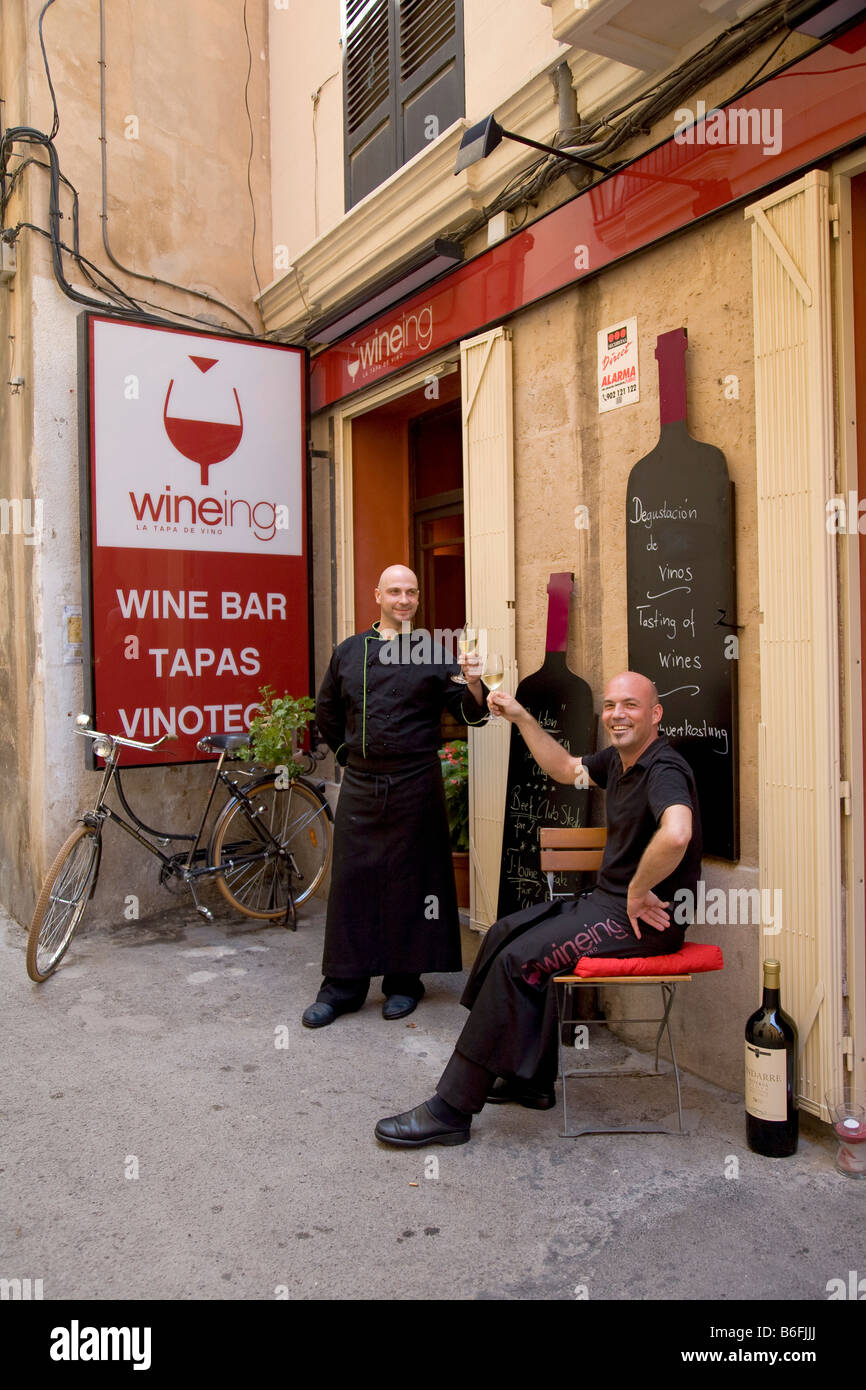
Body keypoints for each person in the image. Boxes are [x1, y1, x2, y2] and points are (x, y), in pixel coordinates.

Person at [374, 670, 702, 1146]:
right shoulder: (621, 760)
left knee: (519, 963)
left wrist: (637, 889)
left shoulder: (664, 768)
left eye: (630, 705)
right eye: (610, 705)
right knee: (504, 931)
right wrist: (523, 718)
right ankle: (531, 1080)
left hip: (640, 921)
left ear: (655, 714)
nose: (616, 714)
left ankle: (452, 1109)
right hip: (605, 907)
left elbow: (677, 833)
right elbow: (566, 769)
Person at [302, 564, 488, 1028]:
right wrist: (347, 756)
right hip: (363, 782)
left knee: (412, 882)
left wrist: (473, 681)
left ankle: (405, 982)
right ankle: (342, 986)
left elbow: (470, 714)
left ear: (418, 598)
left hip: (415, 781)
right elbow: (326, 710)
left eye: (411, 592)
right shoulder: (349, 652)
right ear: (377, 596)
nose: (404, 599)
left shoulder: (433, 650)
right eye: (395, 592)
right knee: (353, 882)